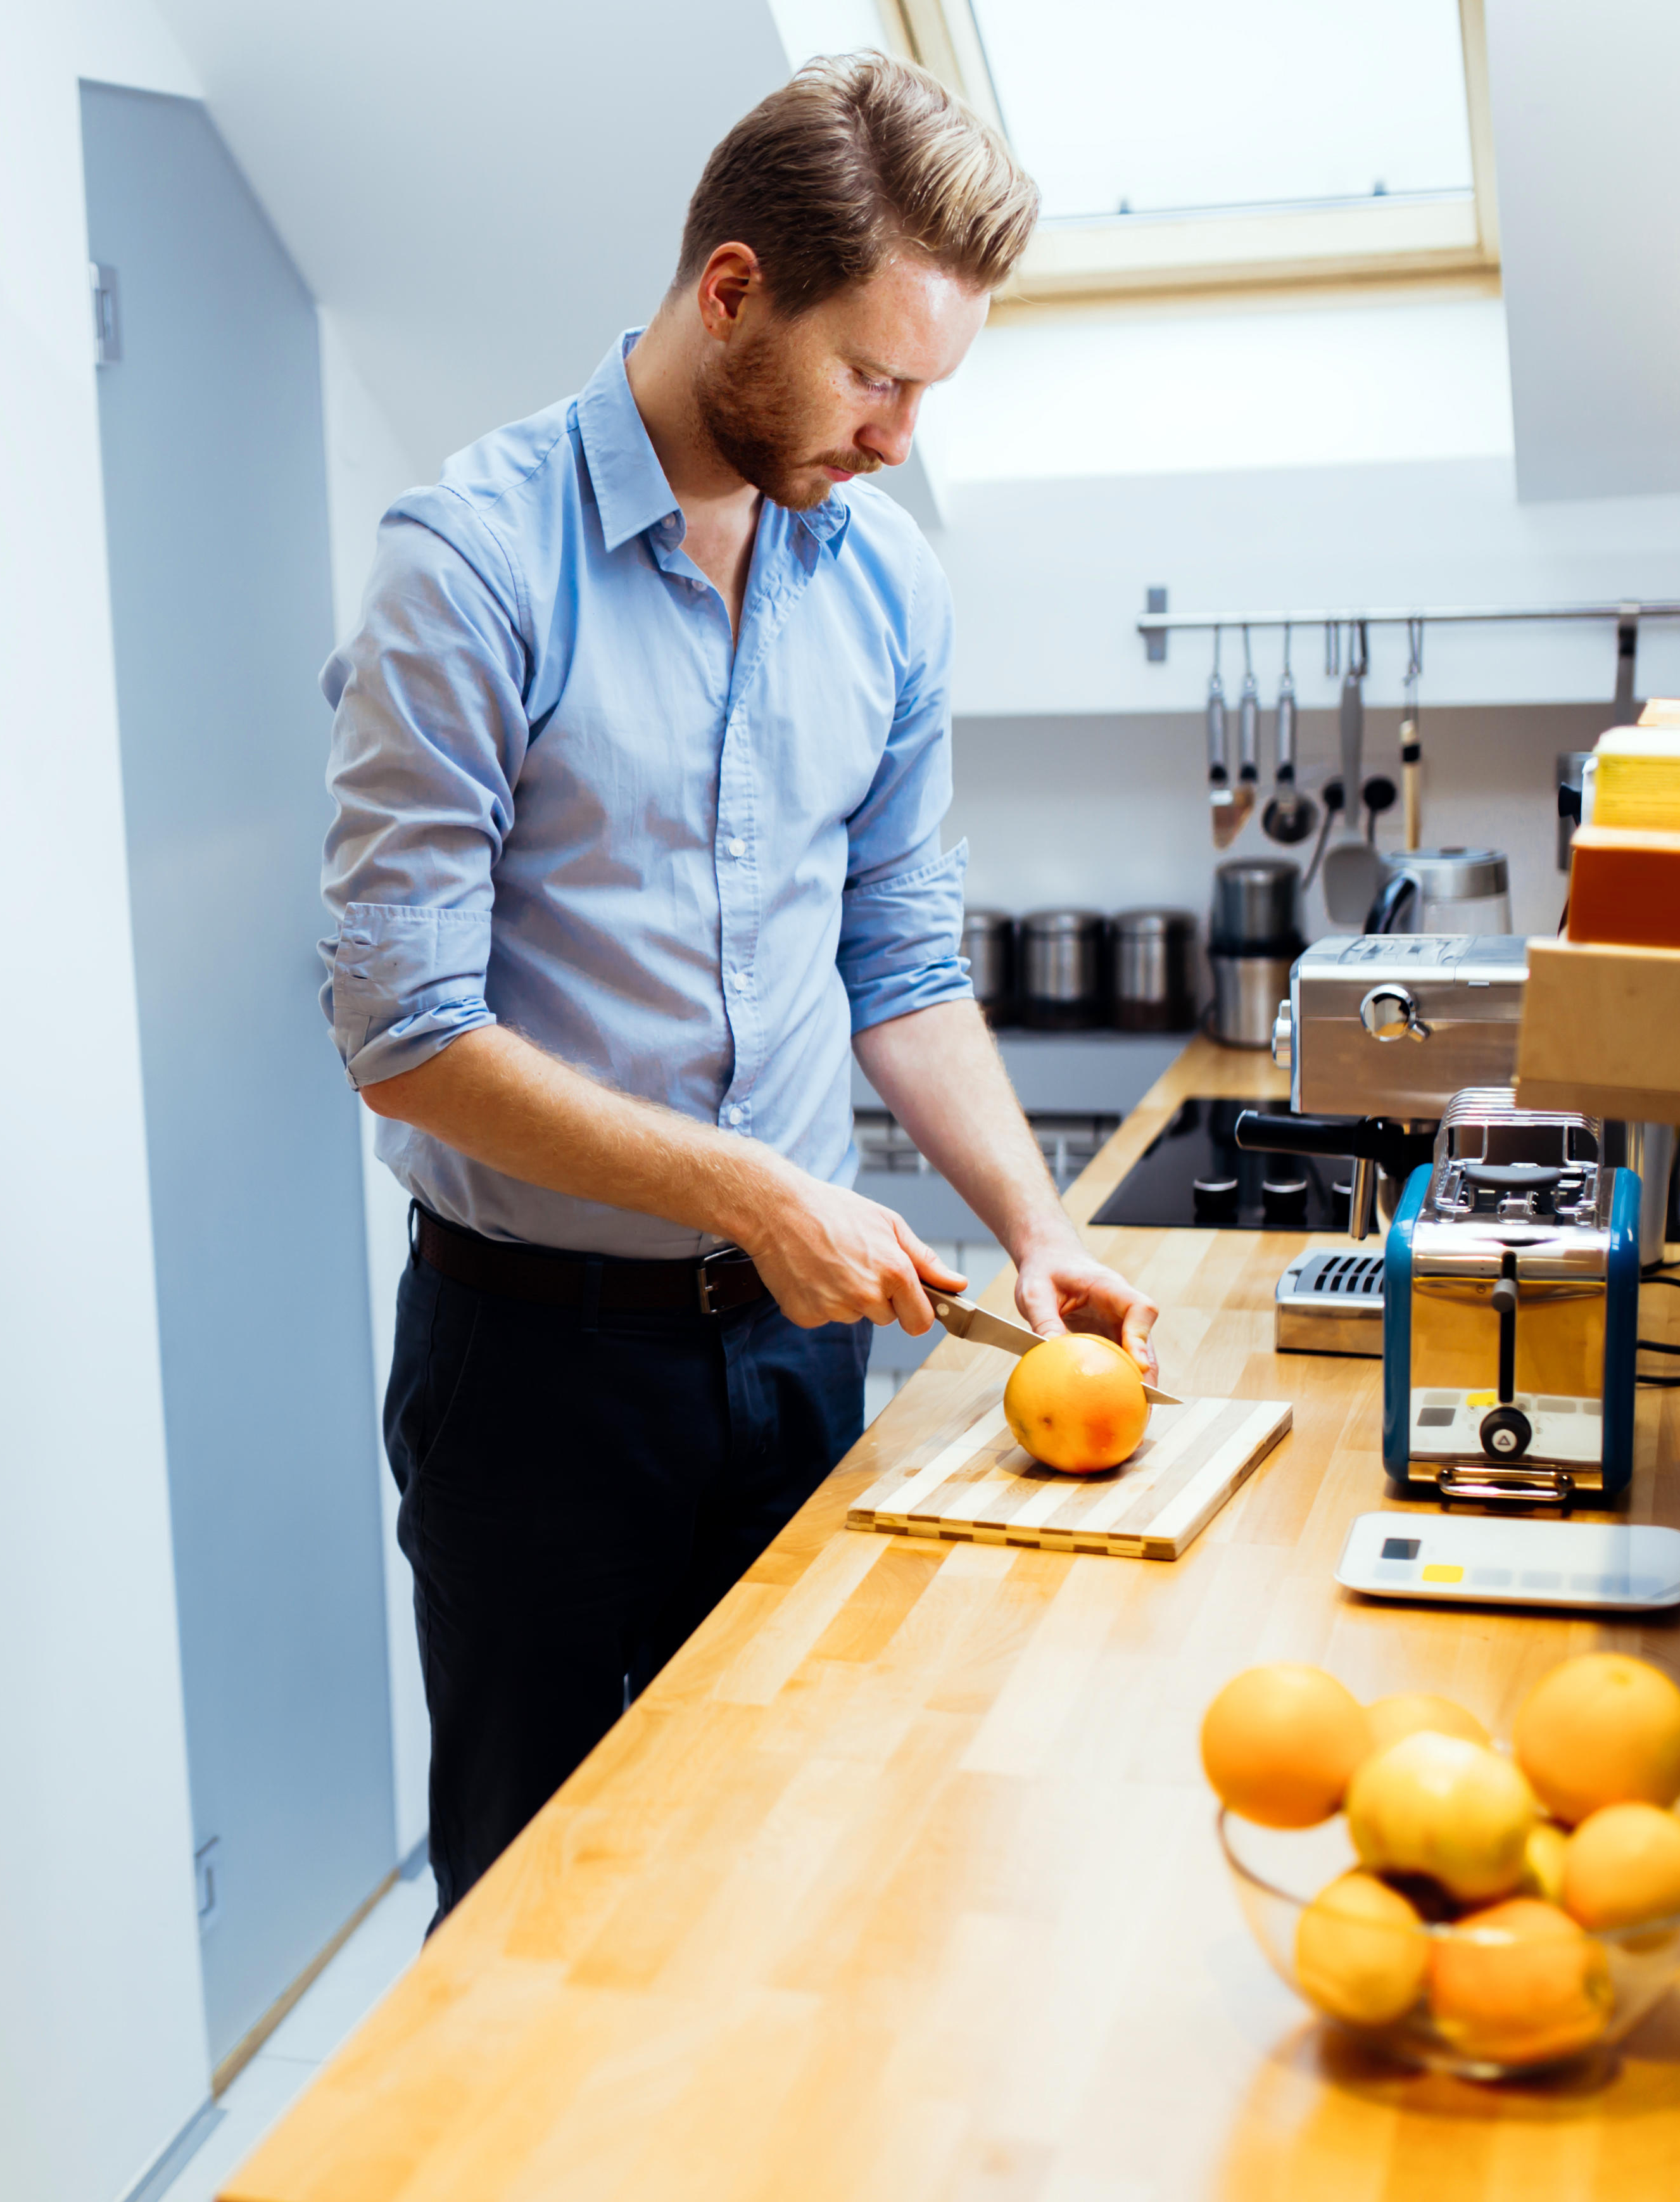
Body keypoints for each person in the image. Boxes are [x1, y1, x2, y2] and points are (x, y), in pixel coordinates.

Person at [317, 53, 1159, 1918]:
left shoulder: (887, 590)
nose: (901, 433)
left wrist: (1032, 1221)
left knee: (799, 1871)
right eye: (875, 375)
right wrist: (758, 1191)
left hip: (796, 1362)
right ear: (730, 295)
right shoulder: (469, 569)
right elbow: (403, 1037)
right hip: (531, 1366)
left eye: (933, 387)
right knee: (536, 1916)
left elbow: (904, 962)